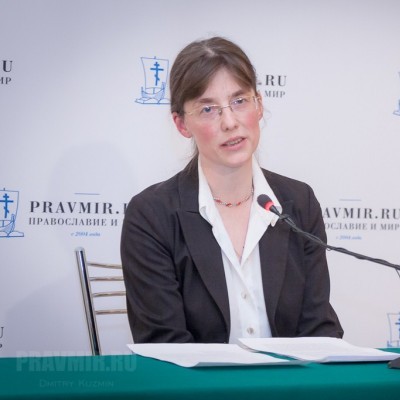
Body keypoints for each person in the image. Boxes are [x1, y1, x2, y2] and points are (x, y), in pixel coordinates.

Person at [121, 37, 343, 344]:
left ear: (259, 105)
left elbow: (319, 329)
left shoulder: (299, 202)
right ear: (182, 124)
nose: (230, 122)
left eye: (239, 101)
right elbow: (165, 345)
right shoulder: (151, 215)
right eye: (208, 109)